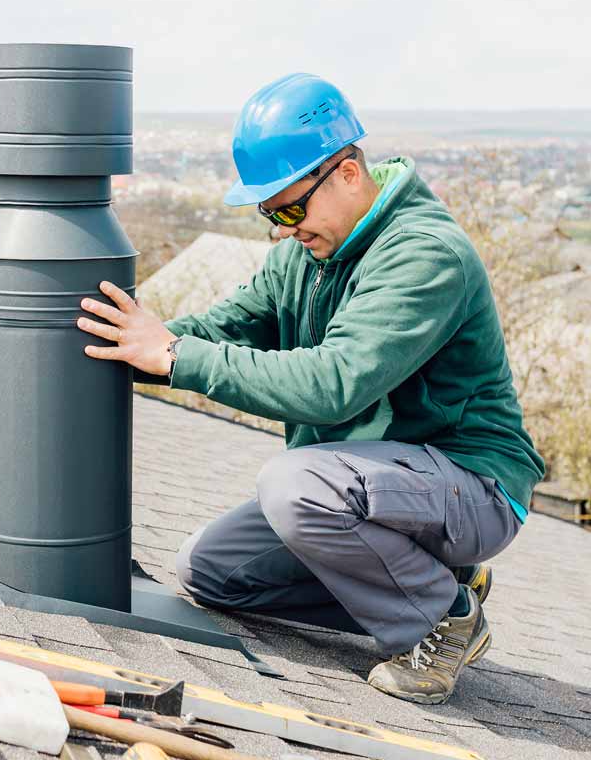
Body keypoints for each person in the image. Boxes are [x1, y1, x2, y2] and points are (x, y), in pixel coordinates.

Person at [76, 73, 545, 704]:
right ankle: (437, 585)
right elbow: (220, 330)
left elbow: (333, 386)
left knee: (294, 484)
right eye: (272, 214)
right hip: (375, 488)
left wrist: (175, 357)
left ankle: (441, 617)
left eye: (291, 207)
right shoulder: (303, 258)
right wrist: (120, 348)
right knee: (209, 571)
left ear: (349, 173)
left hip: (470, 485)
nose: (282, 228)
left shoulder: (426, 256)